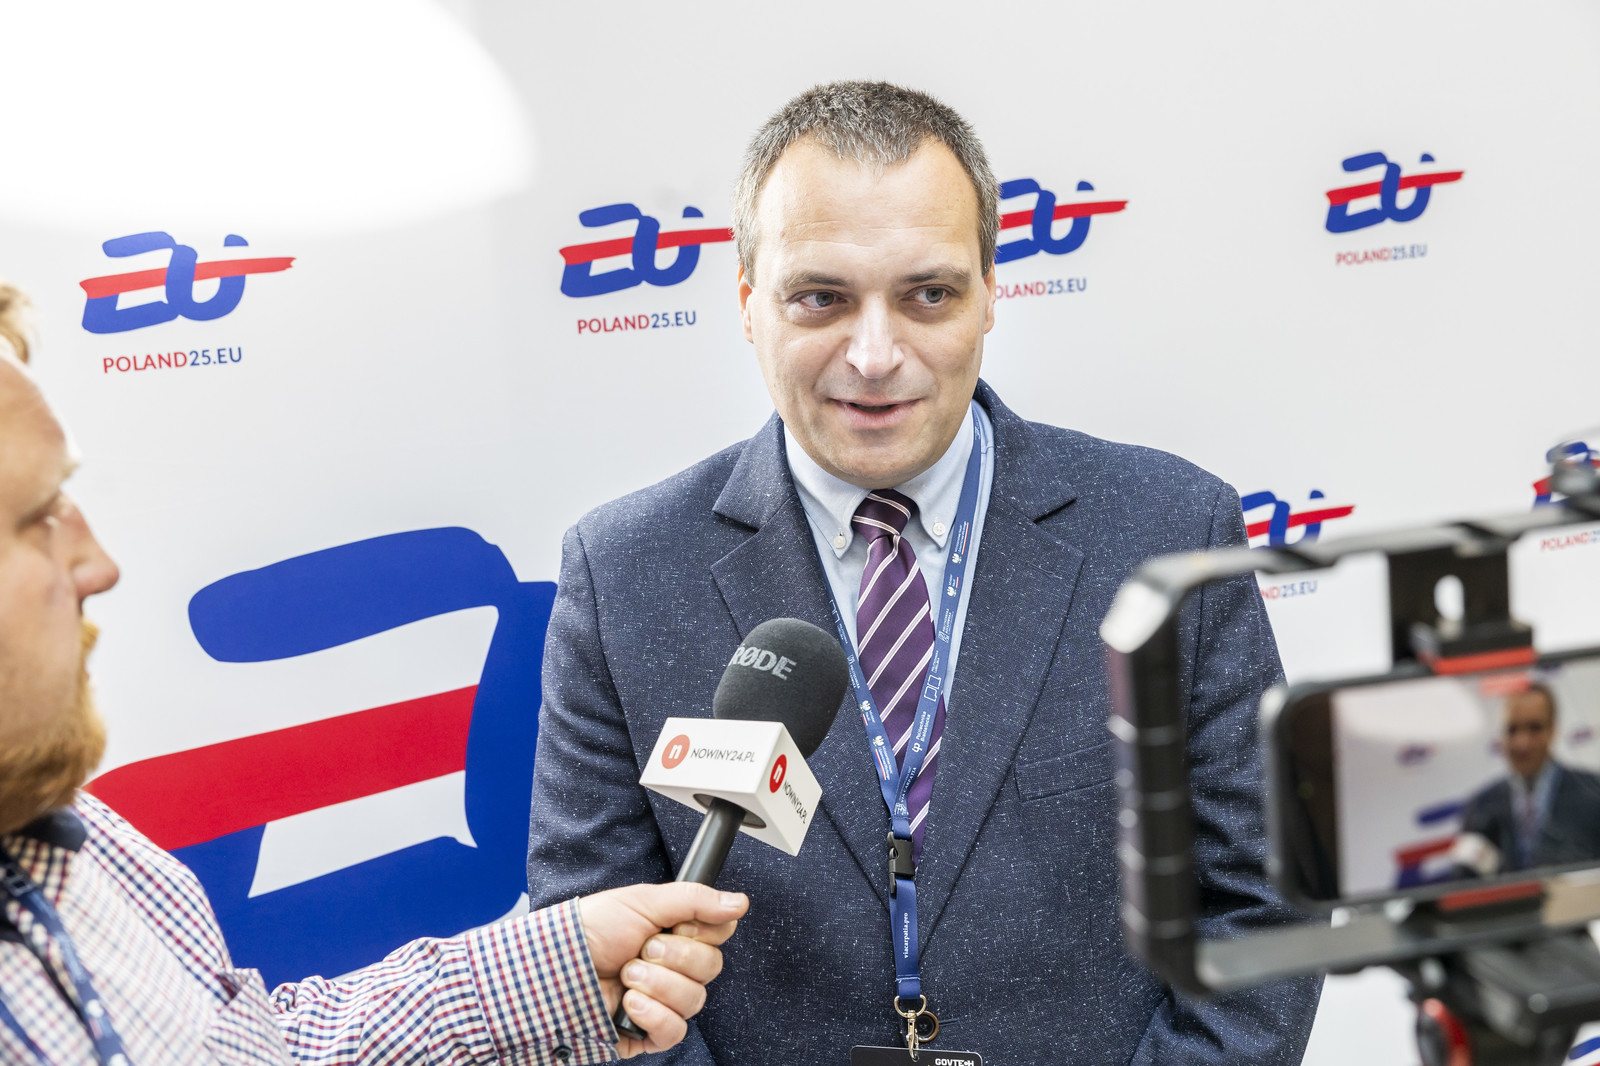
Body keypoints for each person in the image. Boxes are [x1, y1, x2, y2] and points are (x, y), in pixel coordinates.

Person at [526, 82, 1319, 1064]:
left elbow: (1264, 907)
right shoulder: (623, 574)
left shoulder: (1169, 532)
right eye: (821, 298)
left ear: (990, 292)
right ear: (747, 305)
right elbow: (592, 957)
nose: (874, 355)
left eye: (927, 295)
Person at [0, 282, 748, 1065]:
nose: (98, 565)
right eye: (37, 515)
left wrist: (554, 971)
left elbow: (249, 1052)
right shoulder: (622, 555)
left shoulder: (83, 842)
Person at [1456, 683, 1600, 876]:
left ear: (1553, 729)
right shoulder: (1479, 807)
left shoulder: (1594, 795)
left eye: (1534, 728)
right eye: (1512, 729)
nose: (1522, 743)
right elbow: (1464, 880)